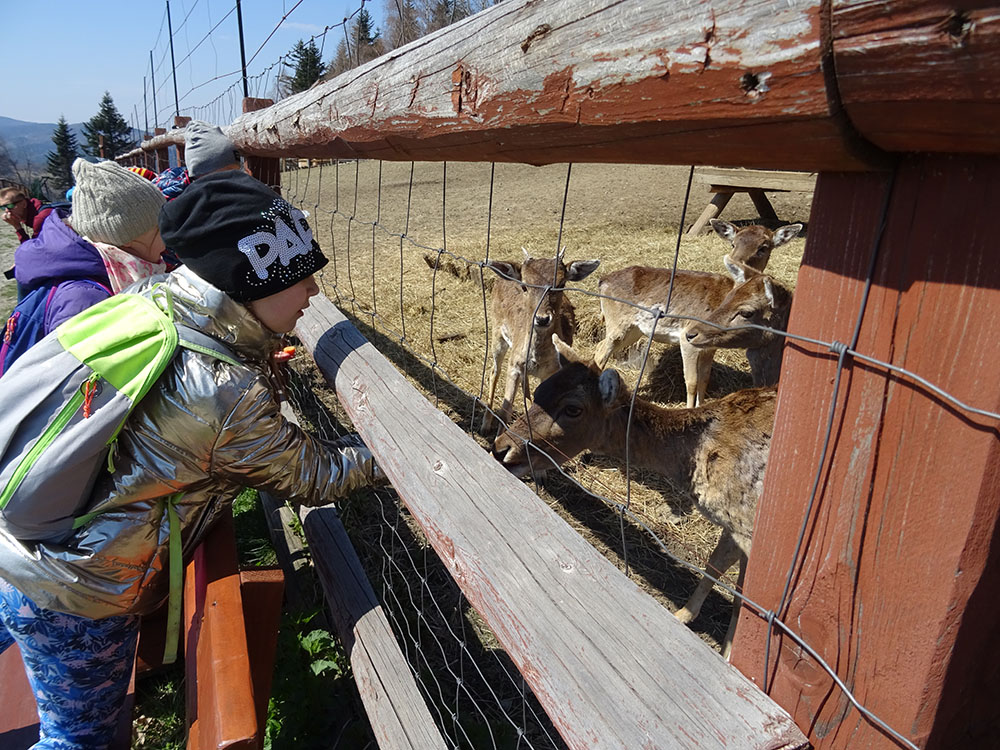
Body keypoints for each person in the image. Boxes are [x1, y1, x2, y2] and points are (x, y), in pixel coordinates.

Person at [0, 169, 383, 749]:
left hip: (25, 542)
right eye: (300, 277)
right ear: (247, 284)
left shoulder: (154, 298)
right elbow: (315, 474)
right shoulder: (223, 391)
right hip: (77, 591)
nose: (313, 292)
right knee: (78, 740)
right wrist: (393, 454)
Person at [70, 158, 168, 292]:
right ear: (127, 236)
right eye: (160, 227)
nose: (169, 233)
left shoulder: (133, 271)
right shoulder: (89, 296)